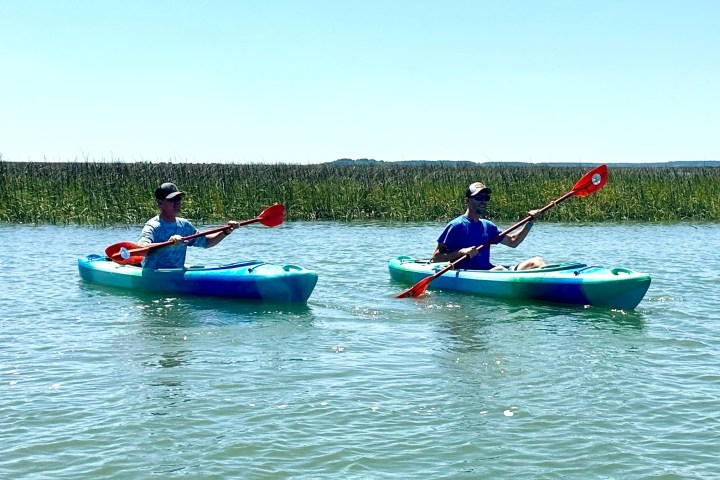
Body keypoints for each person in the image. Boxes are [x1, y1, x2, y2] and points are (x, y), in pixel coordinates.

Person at [432, 181, 546, 271]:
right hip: (471, 274)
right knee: (500, 269)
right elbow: (436, 258)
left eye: (486, 198)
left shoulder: (488, 226)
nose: (483, 202)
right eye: (479, 198)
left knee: (537, 261)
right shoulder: (456, 225)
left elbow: (513, 242)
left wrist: (530, 222)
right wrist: (460, 252)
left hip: (490, 270)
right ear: (467, 200)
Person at [138, 182, 240, 269]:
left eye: (178, 198)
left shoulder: (184, 225)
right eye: (172, 200)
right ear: (160, 203)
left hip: (177, 275)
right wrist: (169, 243)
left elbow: (207, 242)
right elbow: (142, 248)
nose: (177, 202)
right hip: (155, 276)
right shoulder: (153, 226)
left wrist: (226, 231)